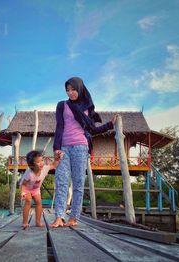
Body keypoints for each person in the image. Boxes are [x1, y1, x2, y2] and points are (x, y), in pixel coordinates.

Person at [50, 76, 117, 228]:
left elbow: (93, 130)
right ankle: (59, 216)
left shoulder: (87, 108)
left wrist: (110, 125)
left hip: (81, 147)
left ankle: (73, 217)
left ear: (79, 88)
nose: (70, 93)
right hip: (64, 148)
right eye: (67, 90)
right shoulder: (62, 105)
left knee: (78, 183)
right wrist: (56, 148)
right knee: (61, 181)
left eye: (73, 89)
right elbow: (59, 126)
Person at [20, 150, 63, 229]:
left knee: (39, 202)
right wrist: (23, 193)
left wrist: (57, 159)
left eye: (42, 160)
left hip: (36, 189)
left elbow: (54, 165)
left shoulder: (45, 168)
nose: (42, 163)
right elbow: (23, 184)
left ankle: (38, 222)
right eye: (38, 162)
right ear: (32, 166)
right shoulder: (29, 174)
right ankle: (25, 222)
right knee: (28, 201)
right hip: (26, 188)